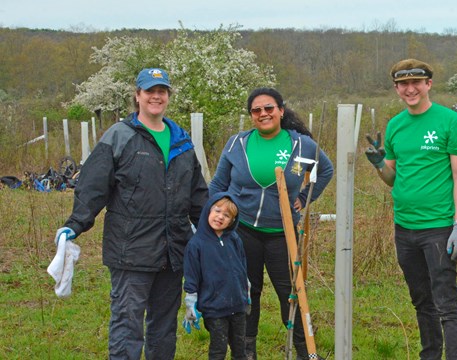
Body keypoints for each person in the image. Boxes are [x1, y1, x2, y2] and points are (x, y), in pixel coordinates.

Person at [54, 68, 209, 359]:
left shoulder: (181, 140)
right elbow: (93, 186)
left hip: (174, 251)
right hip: (131, 251)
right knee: (127, 326)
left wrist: (213, 233)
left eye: (162, 91)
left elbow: (198, 195)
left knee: (163, 328)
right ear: (137, 96)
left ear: (168, 97)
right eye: (149, 91)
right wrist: (75, 224)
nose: (156, 96)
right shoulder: (119, 136)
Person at [208, 87, 334, 359]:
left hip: (282, 234)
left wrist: (303, 197)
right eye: (256, 110)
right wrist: (213, 218)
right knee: (247, 292)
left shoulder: (303, 145)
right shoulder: (237, 144)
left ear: (280, 110)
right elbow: (218, 184)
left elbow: (325, 170)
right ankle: (245, 350)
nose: (263, 114)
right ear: (251, 116)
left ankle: (304, 351)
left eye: (268, 108)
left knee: (292, 292)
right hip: (242, 233)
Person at [364, 58, 457, 359]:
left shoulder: (450, 121)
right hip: (404, 228)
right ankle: (430, 355)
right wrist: (378, 164)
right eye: (403, 84)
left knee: (446, 302)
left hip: (438, 227)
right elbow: (392, 178)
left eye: (416, 83)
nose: (410, 89)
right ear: (397, 88)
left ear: (428, 85)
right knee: (421, 300)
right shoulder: (396, 125)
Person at [183, 192, 250, 360]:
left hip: (238, 306)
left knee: (240, 349)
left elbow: (242, 265)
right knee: (218, 350)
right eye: (217, 211)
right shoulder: (196, 244)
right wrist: (191, 301)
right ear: (208, 211)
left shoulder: (234, 239)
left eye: (226, 215)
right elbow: (191, 274)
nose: (220, 217)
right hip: (214, 308)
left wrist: (246, 290)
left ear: (232, 221)